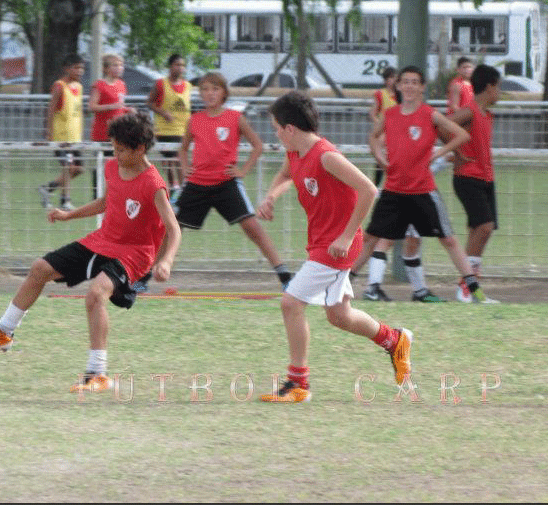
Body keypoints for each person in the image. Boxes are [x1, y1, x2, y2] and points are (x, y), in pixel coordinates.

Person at [0, 113, 182, 392]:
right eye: (113, 148)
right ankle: (3, 332)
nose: (114, 154)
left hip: (135, 254)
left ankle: (97, 374)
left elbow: (173, 228)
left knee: (96, 294)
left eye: (120, 149)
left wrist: (165, 261)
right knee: (40, 268)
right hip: (102, 240)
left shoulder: (154, 184)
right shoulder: (111, 168)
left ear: (140, 149)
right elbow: (106, 201)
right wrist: (69, 215)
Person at [255, 91, 412, 403]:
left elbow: (368, 189)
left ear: (290, 129)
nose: (274, 134)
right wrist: (272, 195)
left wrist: (345, 235)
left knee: (290, 303)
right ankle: (394, 340)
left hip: (337, 245)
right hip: (322, 242)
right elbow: (286, 174)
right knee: (339, 315)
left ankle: (298, 384)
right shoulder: (295, 153)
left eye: (275, 128)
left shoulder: (326, 156)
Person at [363, 65, 493, 303]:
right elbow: (375, 137)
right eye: (405, 81)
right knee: (377, 239)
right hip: (394, 188)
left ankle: (470, 291)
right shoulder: (390, 115)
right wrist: (380, 158)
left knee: (444, 239)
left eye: (415, 82)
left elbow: (462, 136)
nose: (409, 86)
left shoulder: (429, 114)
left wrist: (439, 153)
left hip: (421, 190)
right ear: (398, 85)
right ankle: (363, 287)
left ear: (422, 87)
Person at [175, 72, 291, 290]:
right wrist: (185, 168)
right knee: (173, 227)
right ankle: (146, 276)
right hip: (197, 183)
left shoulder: (235, 118)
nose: (210, 94)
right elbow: (182, 149)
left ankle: (283, 274)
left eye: (215, 89)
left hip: (226, 183)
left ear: (224, 92)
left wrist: (243, 170)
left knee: (252, 226)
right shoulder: (195, 120)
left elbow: (258, 145)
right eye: (205, 89)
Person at [447, 64, 502, 303]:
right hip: (467, 177)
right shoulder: (469, 111)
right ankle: (466, 287)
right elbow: (439, 123)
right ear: (489, 87)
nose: (499, 93)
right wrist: (456, 151)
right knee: (484, 227)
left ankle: (471, 288)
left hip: (485, 178)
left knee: (480, 232)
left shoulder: (485, 114)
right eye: (498, 88)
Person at [38, 53, 85, 211]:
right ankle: (65, 200)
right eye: (76, 68)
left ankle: (47, 189)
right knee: (69, 167)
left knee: (78, 169)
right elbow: (50, 109)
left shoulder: (78, 87)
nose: (80, 71)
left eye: (82, 68)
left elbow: (77, 111)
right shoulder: (59, 86)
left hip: (75, 137)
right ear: (67, 68)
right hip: (61, 137)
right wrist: (49, 132)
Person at [88, 54, 135, 199]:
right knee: (102, 163)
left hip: (118, 133)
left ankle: (115, 192)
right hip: (102, 132)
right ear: (106, 68)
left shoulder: (121, 84)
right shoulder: (100, 85)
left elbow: (119, 107)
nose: (119, 68)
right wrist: (111, 106)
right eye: (115, 65)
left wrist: (128, 110)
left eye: (120, 65)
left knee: (118, 162)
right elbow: (92, 106)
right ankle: (98, 194)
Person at [147, 54, 191, 202]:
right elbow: (150, 103)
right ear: (170, 66)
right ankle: (175, 187)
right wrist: (163, 112)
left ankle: (182, 188)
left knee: (179, 159)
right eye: (177, 65)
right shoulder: (161, 84)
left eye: (182, 65)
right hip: (165, 129)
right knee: (170, 160)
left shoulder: (188, 86)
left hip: (183, 129)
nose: (180, 68)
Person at [368, 66, 398, 188]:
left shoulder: (401, 95)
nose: (394, 80)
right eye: (390, 78)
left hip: (398, 130)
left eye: (395, 77)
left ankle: (393, 181)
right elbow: (372, 113)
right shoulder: (381, 94)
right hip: (385, 131)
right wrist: (379, 124)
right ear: (386, 80)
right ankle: (376, 184)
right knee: (380, 153)